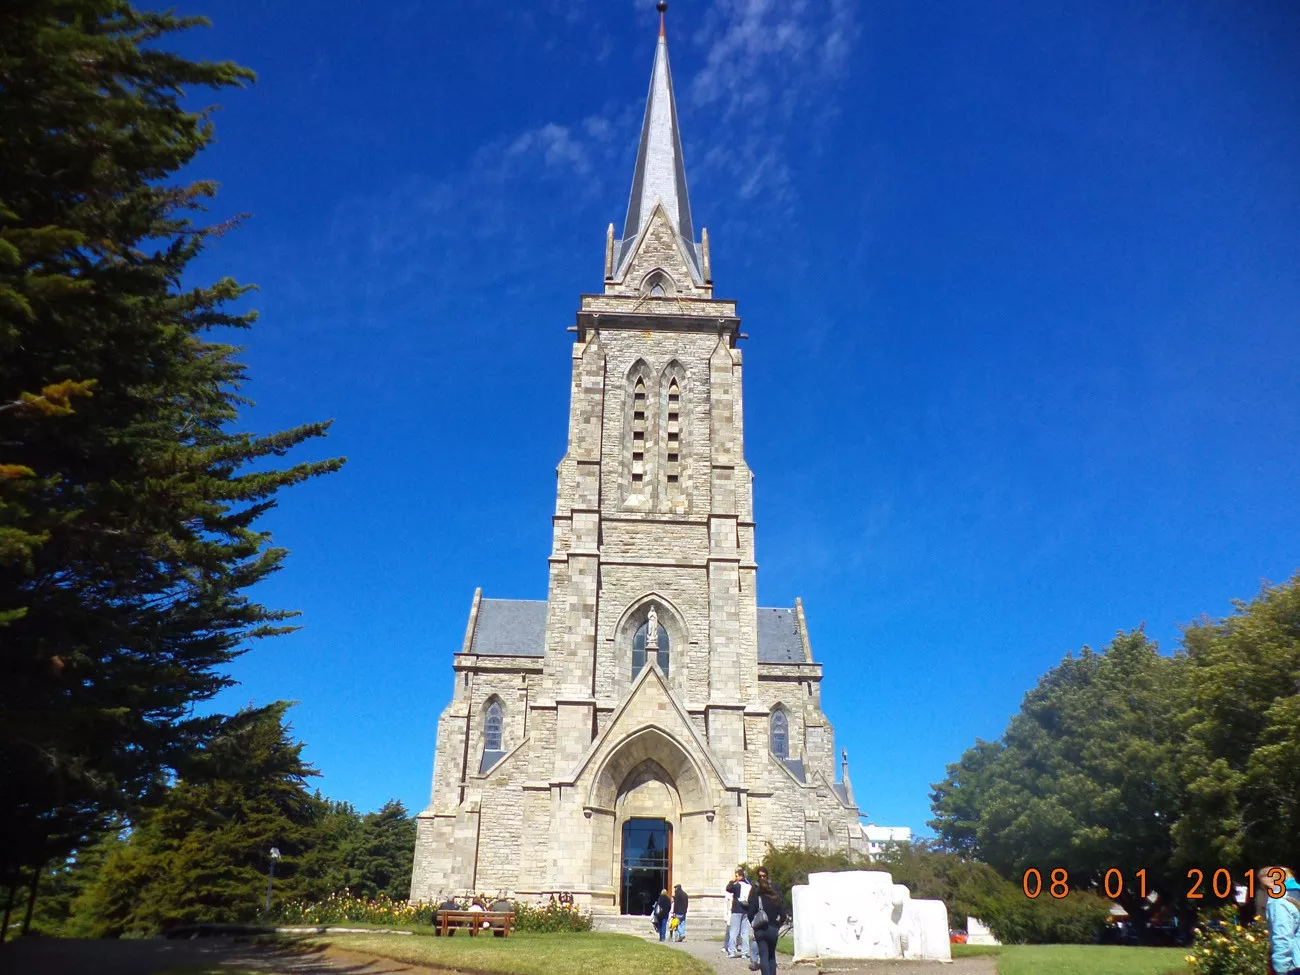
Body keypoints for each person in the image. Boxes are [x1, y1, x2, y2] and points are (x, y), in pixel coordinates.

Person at [1260, 866, 1300, 975]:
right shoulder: (1296, 893)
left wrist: (1280, 969)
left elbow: (1282, 936)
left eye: (1266, 886)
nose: (1266, 891)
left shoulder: (1278, 901)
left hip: (1293, 966)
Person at [747, 867, 786, 975]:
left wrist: (753, 924)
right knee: (771, 956)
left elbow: (750, 913)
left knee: (763, 956)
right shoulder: (775, 898)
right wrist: (778, 924)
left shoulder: (757, 897)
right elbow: (783, 915)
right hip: (772, 928)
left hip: (760, 929)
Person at [724, 867, 753, 959]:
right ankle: (744, 952)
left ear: (740, 876)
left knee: (734, 932)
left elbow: (728, 888)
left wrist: (731, 881)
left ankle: (731, 951)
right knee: (745, 933)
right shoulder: (749, 886)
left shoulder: (737, 885)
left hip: (737, 910)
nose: (735, 877)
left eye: (736, 876)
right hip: (746, 910)